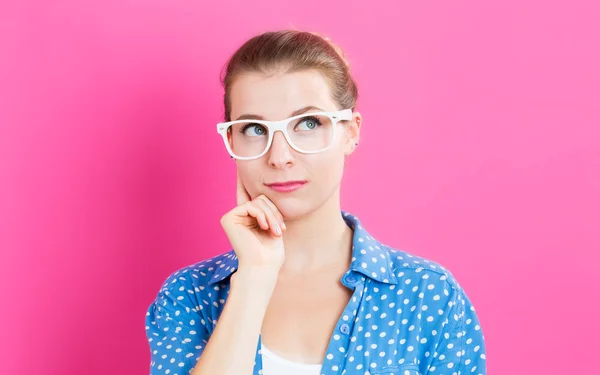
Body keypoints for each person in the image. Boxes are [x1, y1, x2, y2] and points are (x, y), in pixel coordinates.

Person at [144, 30, 487, 375]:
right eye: (254, 129)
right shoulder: (189, 296)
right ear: (231, 139)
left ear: (350, 132)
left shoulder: (428, 295)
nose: (279, 157)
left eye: (307, 123)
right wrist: (255, 277)